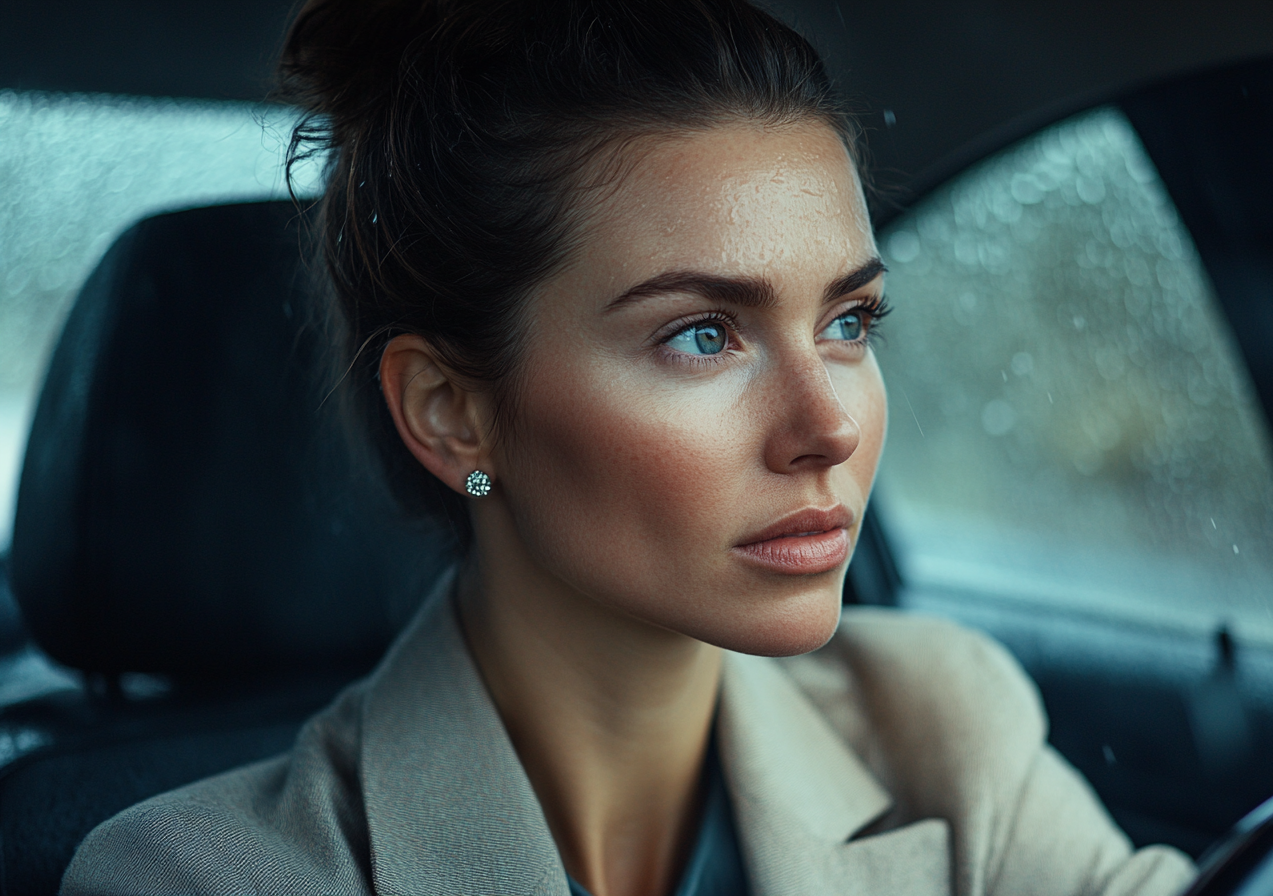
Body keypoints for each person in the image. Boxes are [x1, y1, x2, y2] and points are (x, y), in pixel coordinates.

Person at [61, 1, 1196, 894]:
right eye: (703, 335)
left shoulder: (945, 726)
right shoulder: (198, 875)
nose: (831, 425)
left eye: (849, 322)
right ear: (453, 409)